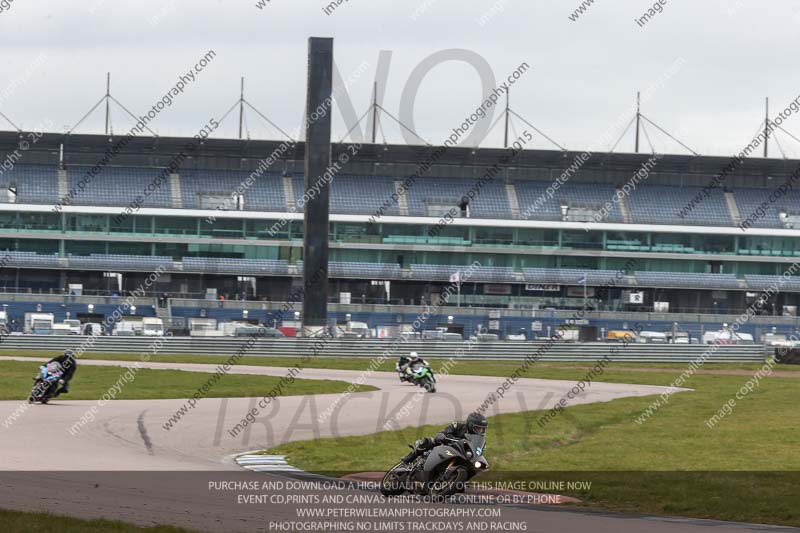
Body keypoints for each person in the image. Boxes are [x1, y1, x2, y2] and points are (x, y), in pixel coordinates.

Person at [401, 412, 489, 463]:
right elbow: (445, 431)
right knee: (429, 441)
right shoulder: (458, 426)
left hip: (459, 455)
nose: (481, 432)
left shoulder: (480, 441)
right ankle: (410, 457)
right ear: (470, 425)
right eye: (478, 429)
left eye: (483, 430)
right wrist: (442, 435)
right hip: (446, 445)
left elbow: (477, 452)